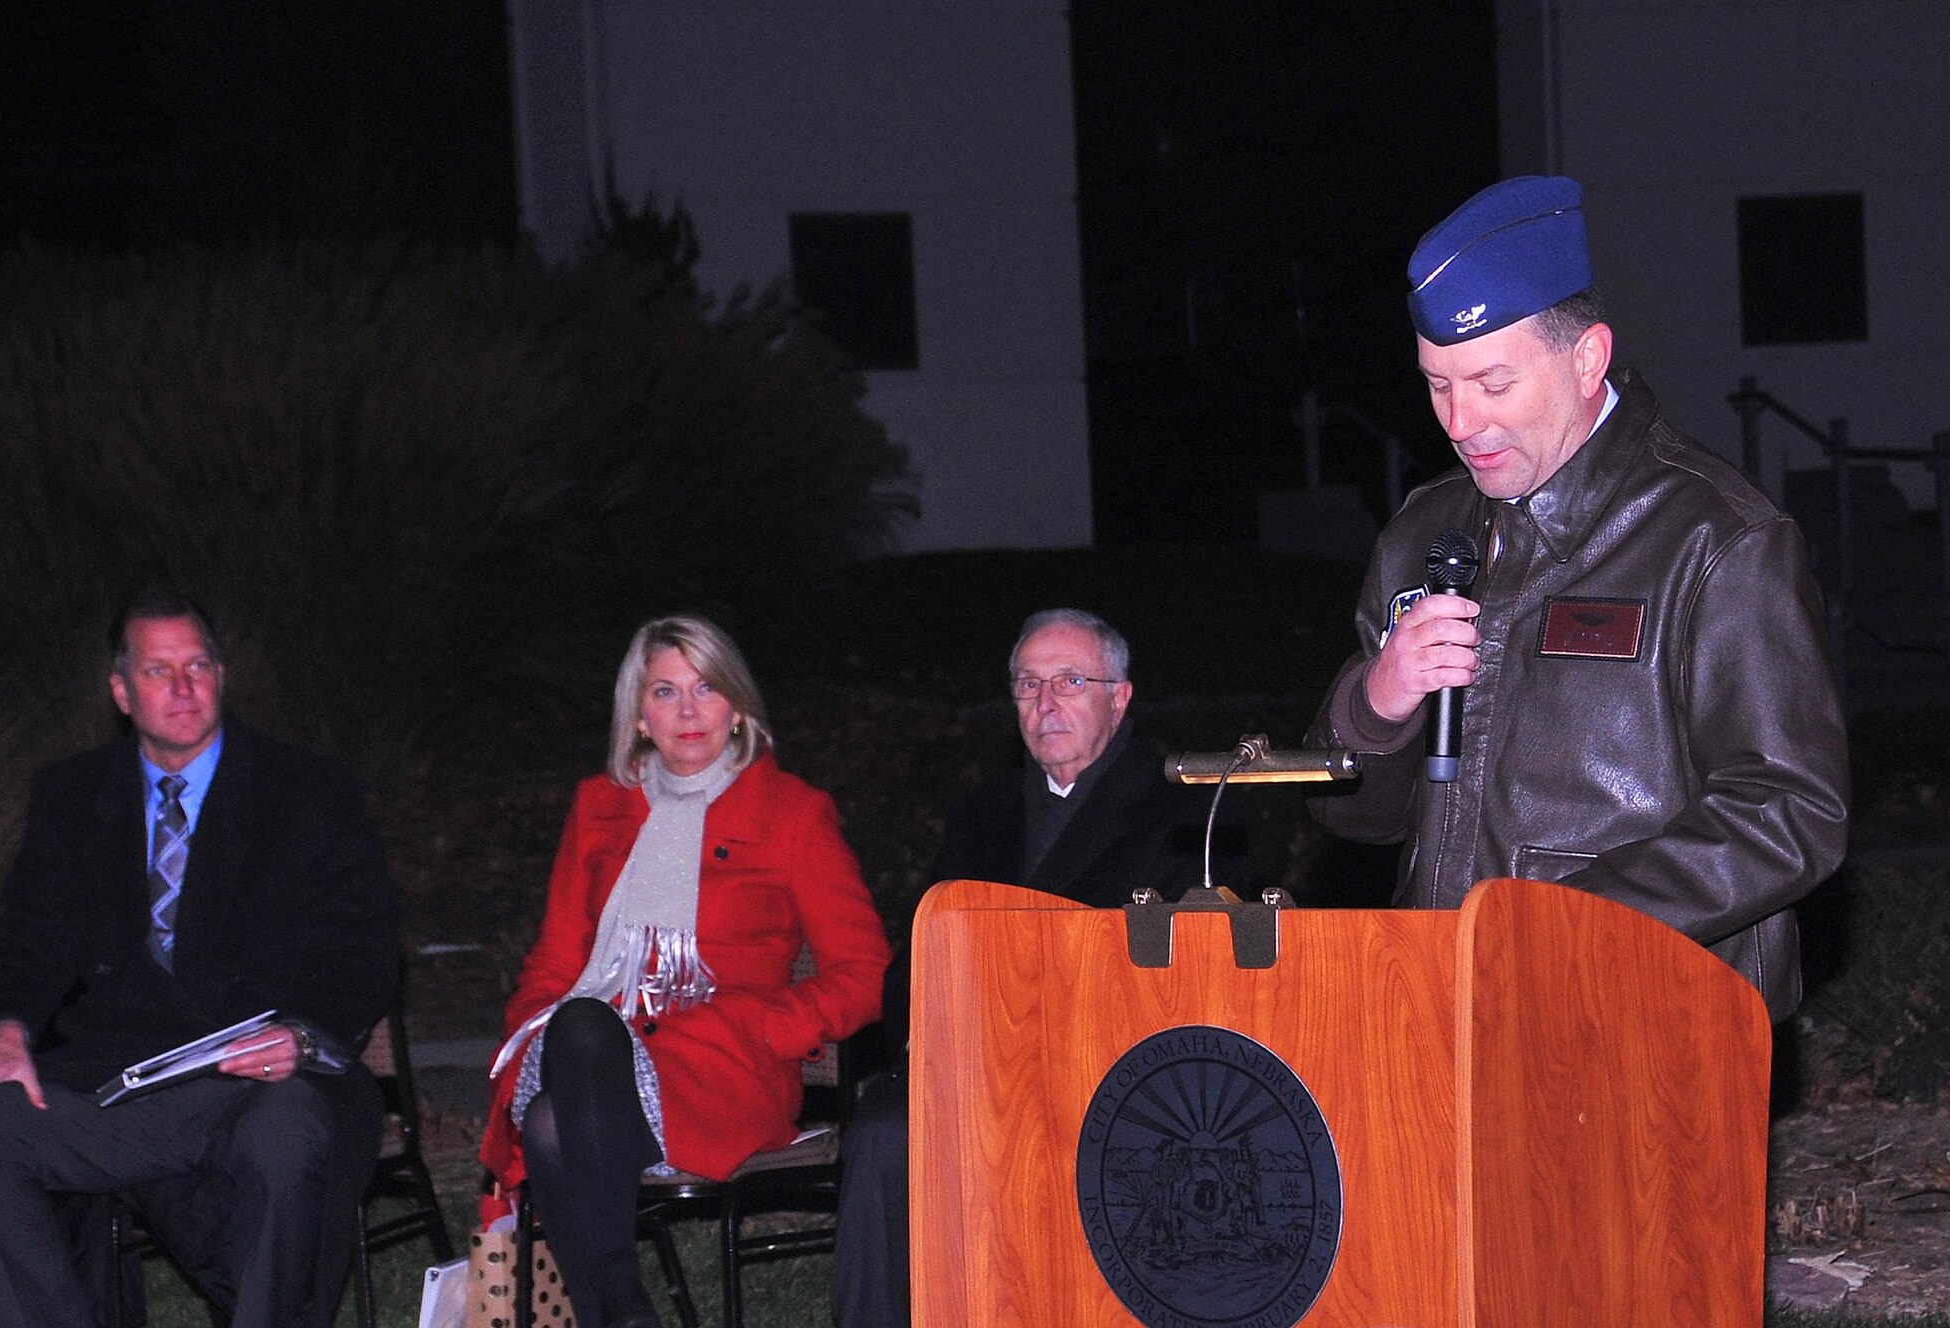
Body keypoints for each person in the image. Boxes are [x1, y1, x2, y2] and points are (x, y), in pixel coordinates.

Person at [1304, 175, 1849, 1021]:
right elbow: (1355, 822)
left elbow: (1788, 811)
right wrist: (1378, 703)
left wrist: (1554, 932)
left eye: (1492, 384)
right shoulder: (1425, 533)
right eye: (1437, 385)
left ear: (1588, 359)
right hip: (1441, 1007)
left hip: (1648, 1019)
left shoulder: (1716, 536)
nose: (1460, 421)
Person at [0, 589, 400, 1328]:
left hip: (255, 1076)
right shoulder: (72, 795)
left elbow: (362, 945)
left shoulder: (306, 790)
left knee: (287, 1138)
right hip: (113, 1081)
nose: (183, 687)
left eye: (197, 665)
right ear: (122, 692)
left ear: (222, 675)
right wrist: (3, 1029)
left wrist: (303, 1034)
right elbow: (26, 935)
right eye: (159, 671)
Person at [832, 607, 1246, 1328]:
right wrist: (926, 1036)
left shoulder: (1187, 808)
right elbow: (921, 956)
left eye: (1069, 682)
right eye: (1028, 685)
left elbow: (1200, 976)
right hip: (972, 1062)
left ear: (1119, 698)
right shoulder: (981, 814)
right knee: (883, 1128)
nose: (1045, 703)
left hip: (1110, 1071)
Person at [479, 614, 889, 1328]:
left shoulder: (795, 814)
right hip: (587, 1058)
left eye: (706, 688)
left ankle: (619, 1313)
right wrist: (526, 1038)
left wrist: (766, 1023)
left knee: (554, 1119)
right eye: (665, 692)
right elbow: (555, 958)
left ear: (737, 705)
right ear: (639, 716)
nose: (689, 711)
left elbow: (866, 971)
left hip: (721, 1069)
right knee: (572, 1041)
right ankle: (627, 1311)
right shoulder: (598, 806)